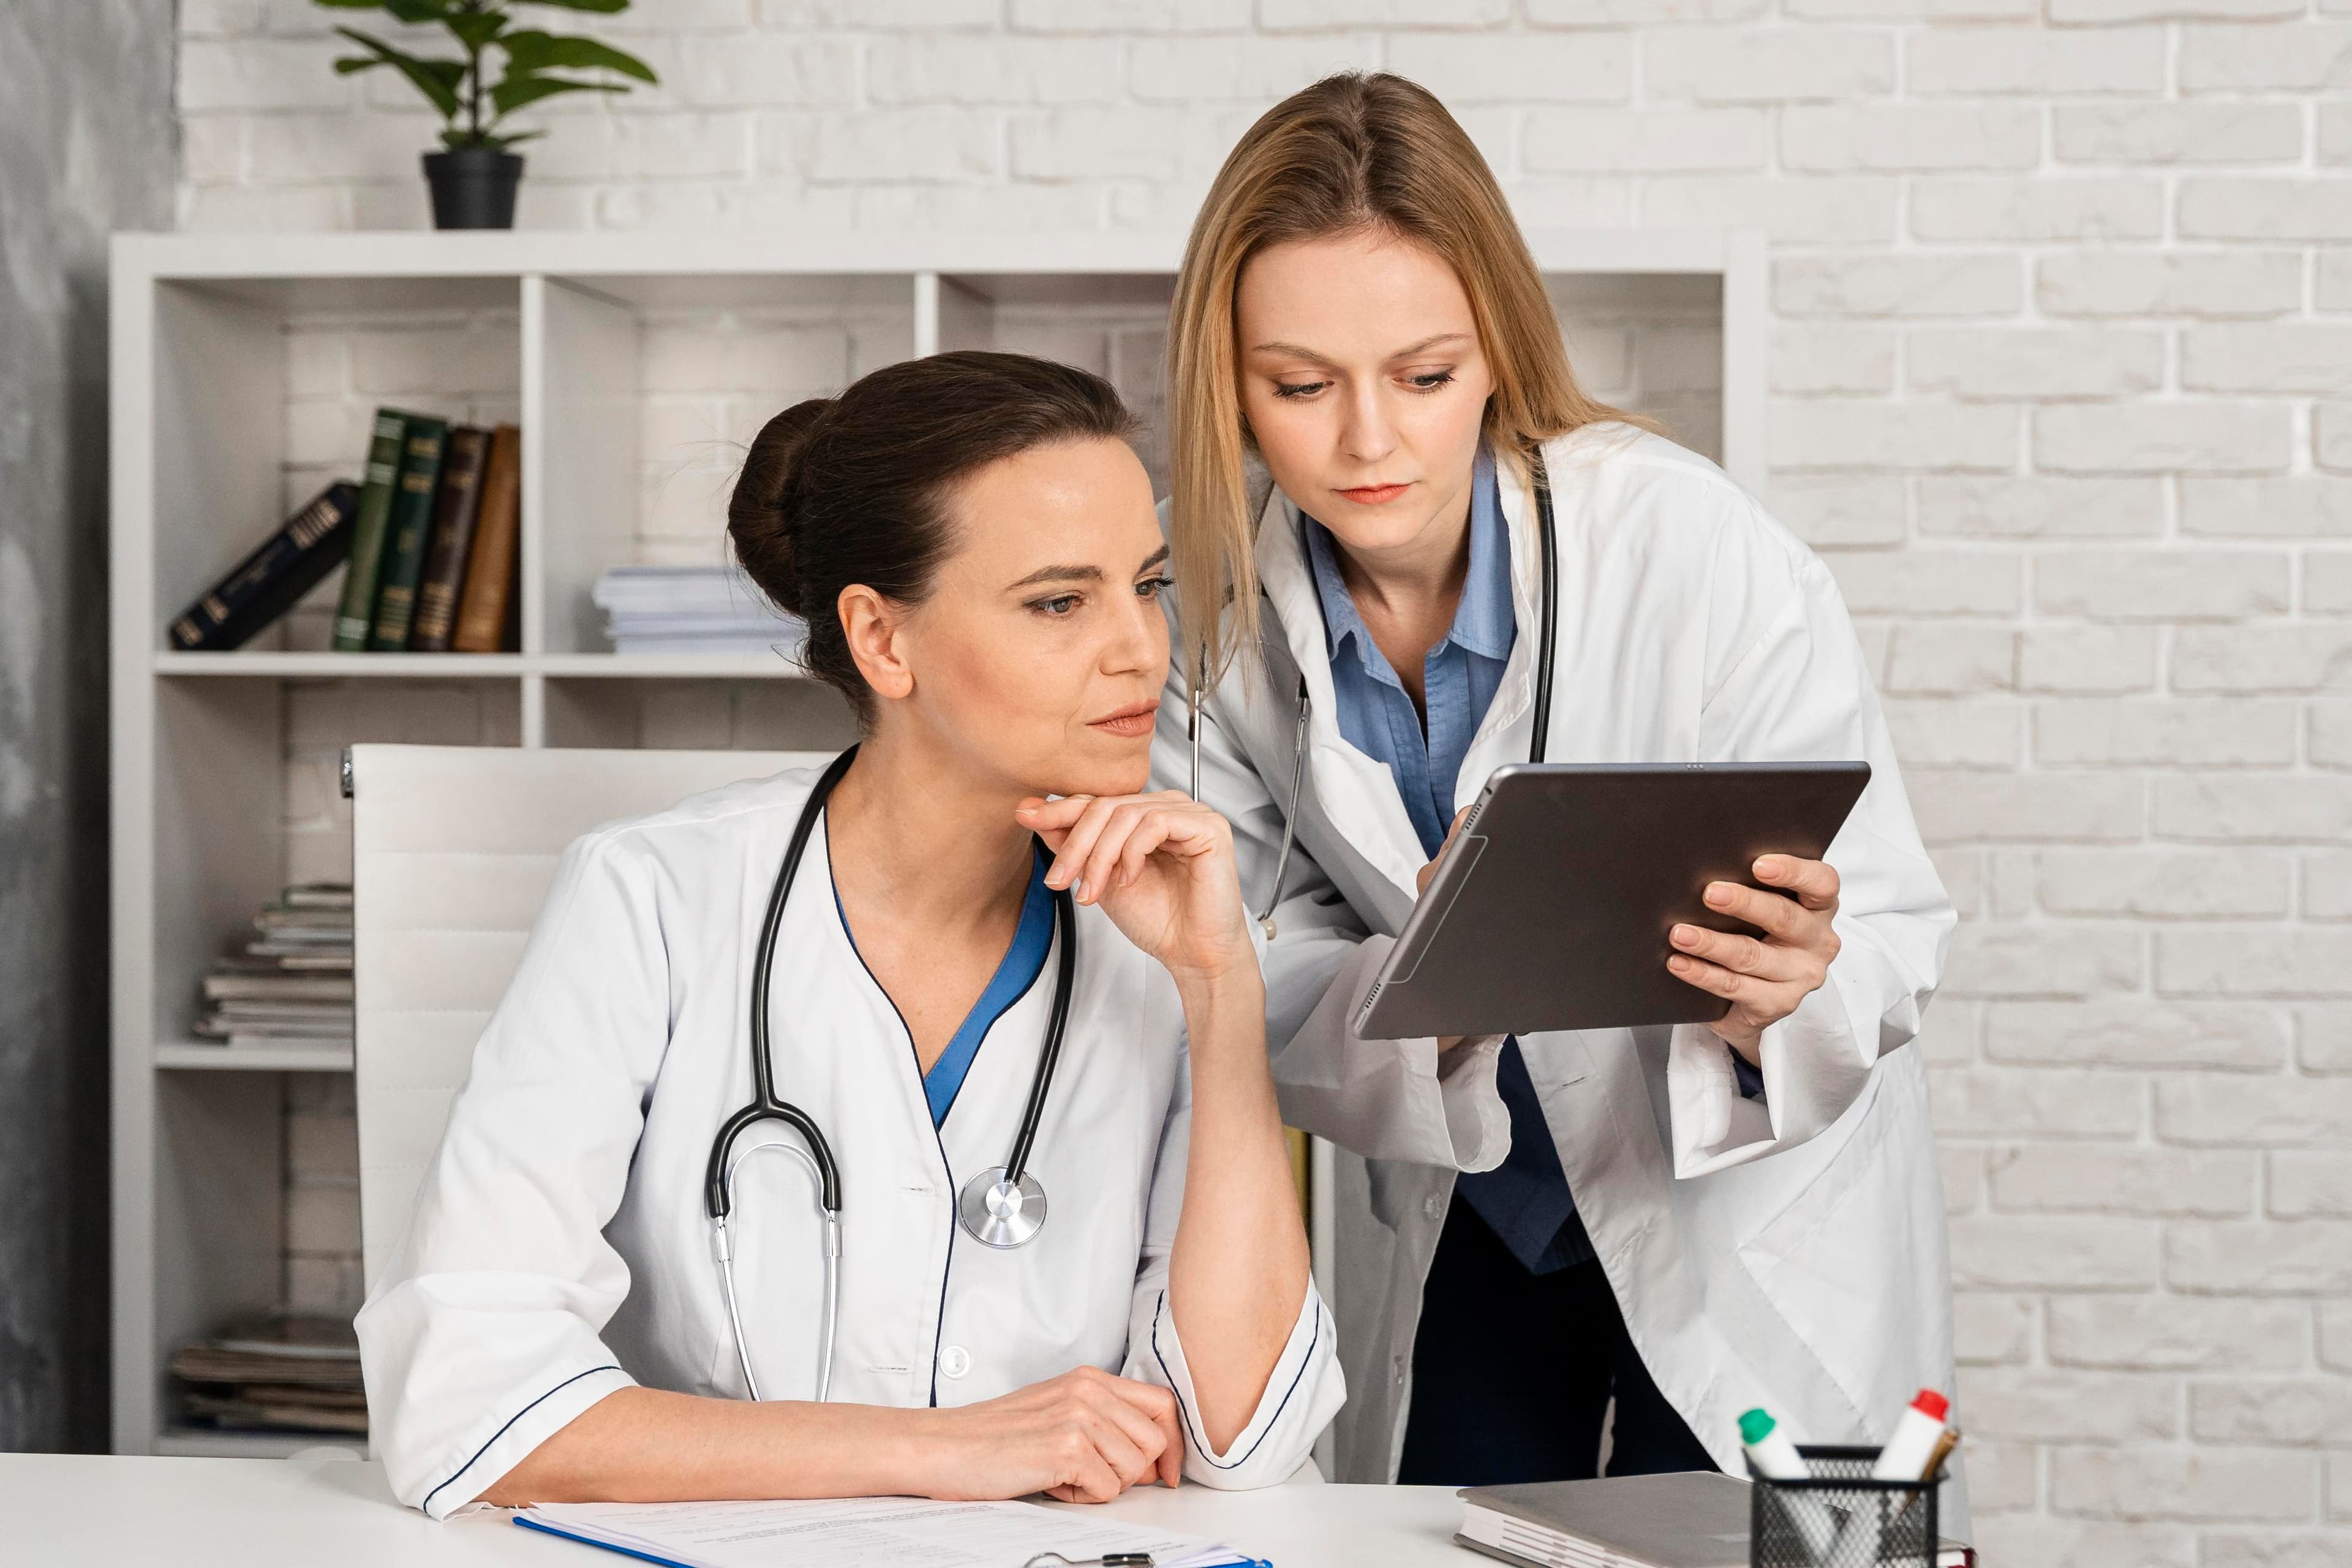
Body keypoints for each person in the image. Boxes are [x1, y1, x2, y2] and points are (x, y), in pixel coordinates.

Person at [1154, 71, 1962, 1525]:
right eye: (1298, 385)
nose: (1368, 444)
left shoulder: (1689, 543)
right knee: (1451, 1543)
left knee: (1772, 1554)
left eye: (1424, 374)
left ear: (1498, 353)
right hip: (1479, 1205)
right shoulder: (1206, 625)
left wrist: (1792, 988)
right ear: (1226, 379)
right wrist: (1433, 981)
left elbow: (1895, 916)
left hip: (1751, 1216)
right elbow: (1233, 963)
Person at [357, 352, 1342, 1518]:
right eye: (1060, 602)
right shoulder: (653, 902)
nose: (1140, 649)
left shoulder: (1167, 926)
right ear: (882, 639)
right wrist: (950, 1450)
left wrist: (1223, 986)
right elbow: (464, 1399)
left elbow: (1244, 1433)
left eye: (1149, 583)